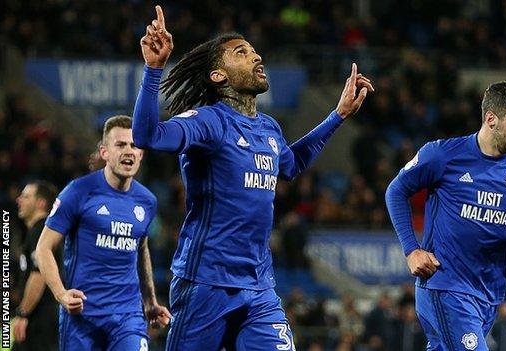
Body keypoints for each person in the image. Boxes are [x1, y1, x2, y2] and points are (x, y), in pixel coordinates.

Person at [133, 6, 373, 350]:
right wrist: (154, 69)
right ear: (219, 75)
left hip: (259, 286)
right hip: (206, 282)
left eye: (254, 50)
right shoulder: (208, 122)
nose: (256, 56)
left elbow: (290, 165)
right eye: (241, 53)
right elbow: (148, 137)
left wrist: (337, 116)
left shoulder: (269, 128)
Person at [385, 82, 506, 351]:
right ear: (491, 119)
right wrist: (411, 250)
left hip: (488, 292)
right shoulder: (442, 155)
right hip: (445, 284)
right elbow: (396, 190)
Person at [36, 115, 171, 350]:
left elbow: (141, 248)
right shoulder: (78, 192)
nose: (128, 151)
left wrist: (149, 301)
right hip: (83, 315)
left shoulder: (147, 201)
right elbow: (43, 248)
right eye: (120, 145)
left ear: (141, 154)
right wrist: (61, 294)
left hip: (128, 316)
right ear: (105, 152)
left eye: (134, 145)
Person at [13, 181, 59, 351]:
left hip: (41, 317)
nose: (19, 200)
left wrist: (23, 313)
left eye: (25, 196)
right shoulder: (36, 232)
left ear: (41, 203)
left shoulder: (41, 232)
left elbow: (39, 275)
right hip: (41, 316)